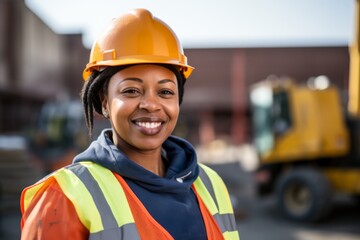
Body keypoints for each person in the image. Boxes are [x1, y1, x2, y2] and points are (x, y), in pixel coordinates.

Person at [20, 8, 240, 240]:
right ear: (104, 102)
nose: (151, 104)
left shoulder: (210, 184)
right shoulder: (64, 196)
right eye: (131, 90)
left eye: (165, 91)